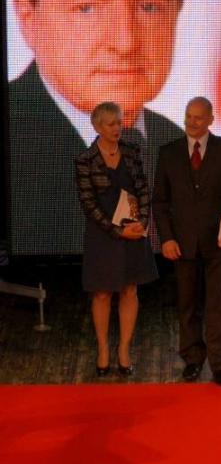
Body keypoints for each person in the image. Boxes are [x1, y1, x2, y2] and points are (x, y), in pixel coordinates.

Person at [8, 0, 185, 255]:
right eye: (87, 8)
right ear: (28, 19)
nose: (125, 41)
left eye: (149, 7)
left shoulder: (178, 148)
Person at [152, 97, 221, 386]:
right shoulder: (169, 152)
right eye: (188, 116)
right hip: (182, 244)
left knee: (218, 306)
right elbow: (160, 201)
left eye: (197, 117)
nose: (191, 122)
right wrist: (167, 238)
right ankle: (193, 360)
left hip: (218, 244)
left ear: (210, 120)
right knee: (187, 305)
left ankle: (220, 365)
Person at [75, 101, 158, 377]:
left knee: (130, 290)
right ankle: (103, 349)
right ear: (97, 126)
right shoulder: (86, 160)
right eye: (111, 124)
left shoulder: (132, 152)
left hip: (132, 232)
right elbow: (89, 204)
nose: (117, 128)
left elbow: (143, 190)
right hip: (103, 236)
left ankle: (124, 349)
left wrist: (141, 222)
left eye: (119, 123)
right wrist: (116, 230)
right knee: (102, 293)